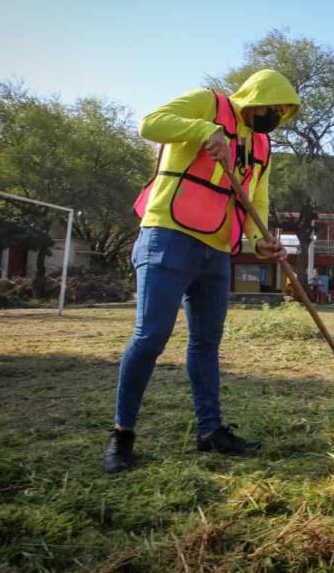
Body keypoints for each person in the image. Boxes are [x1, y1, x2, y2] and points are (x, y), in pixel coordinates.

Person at [103, 70, 301, 473]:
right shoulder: (207, 103)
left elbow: (255, 196)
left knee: (206, 343)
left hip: (217, 249)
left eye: (283, 112)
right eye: (272, 107)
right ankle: (122, 437)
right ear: (254, 97)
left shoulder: (262, 143)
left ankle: (210, 432)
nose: (275, 116)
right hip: (168, 235)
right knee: (151, 335)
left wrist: (258, 239)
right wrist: (203, 130)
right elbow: (149, 124)